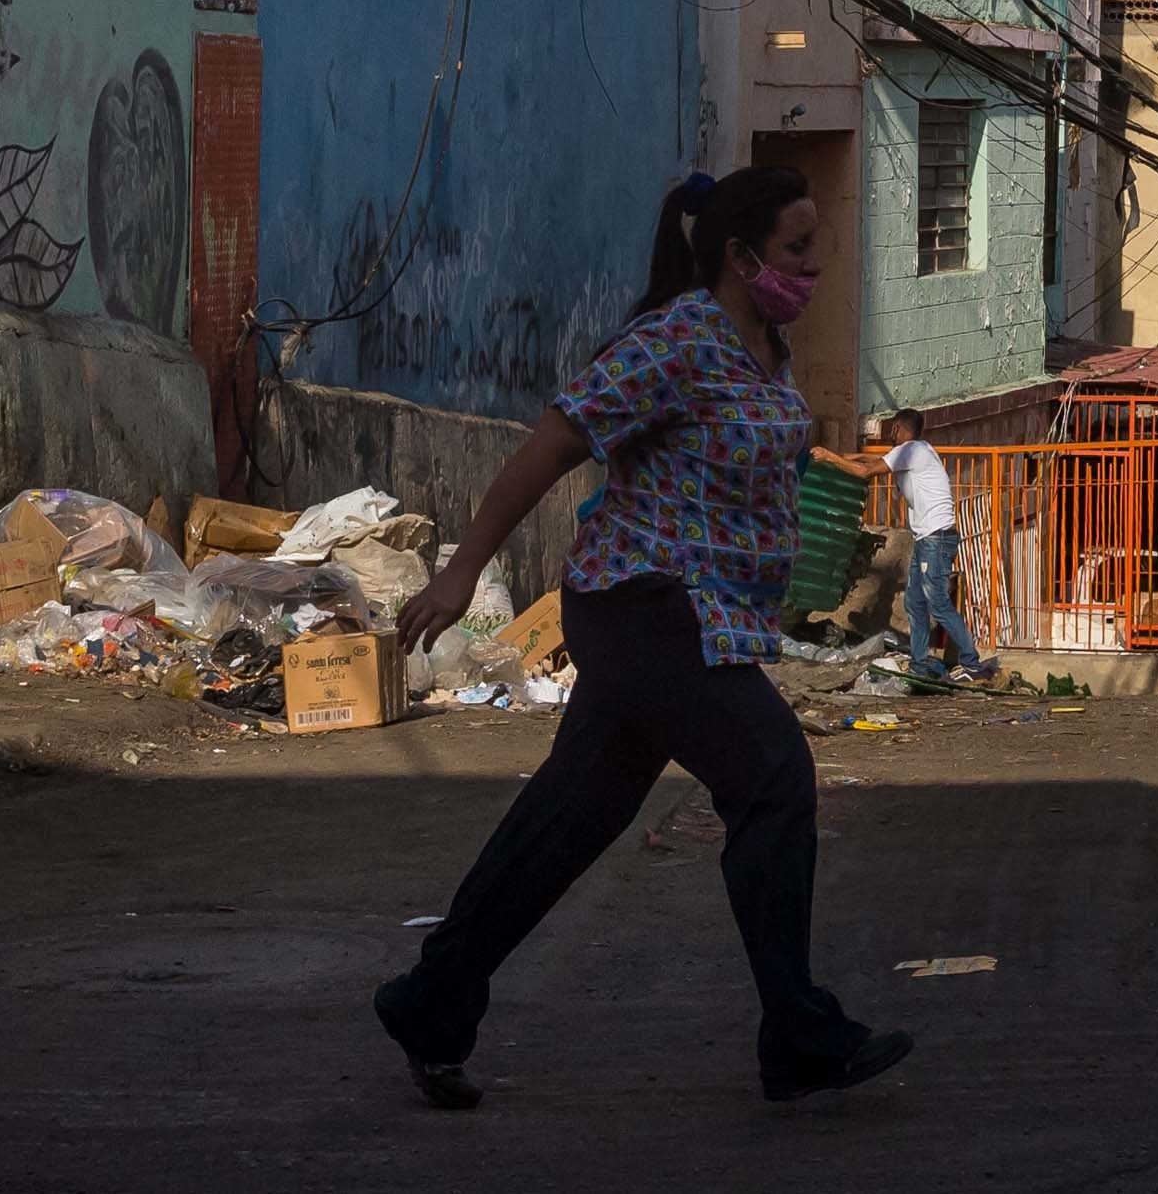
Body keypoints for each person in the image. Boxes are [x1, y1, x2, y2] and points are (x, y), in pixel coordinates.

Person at [375, 166, 911, 1113]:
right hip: (645, 608)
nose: (813, 266)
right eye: (796, 248)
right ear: (743, 258)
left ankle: (431, 997)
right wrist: (461, 570)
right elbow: (553, 440)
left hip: (699, 617)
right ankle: (797, 1031)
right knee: (775, 774)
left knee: (571, 818)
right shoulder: (676, 340)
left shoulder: (767, 346)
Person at [872, 408, 993, 686]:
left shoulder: (912, 451)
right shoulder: (916, 450)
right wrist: (841, 458)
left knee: (937, 602)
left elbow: (868, 469)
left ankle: (971, 662)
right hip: (926, 537)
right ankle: (919, 664)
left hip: (936, 538)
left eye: (892, 429)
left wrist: (830, 457)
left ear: (898, 428)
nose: (891, 433)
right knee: (914, 601)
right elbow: (872, 461)